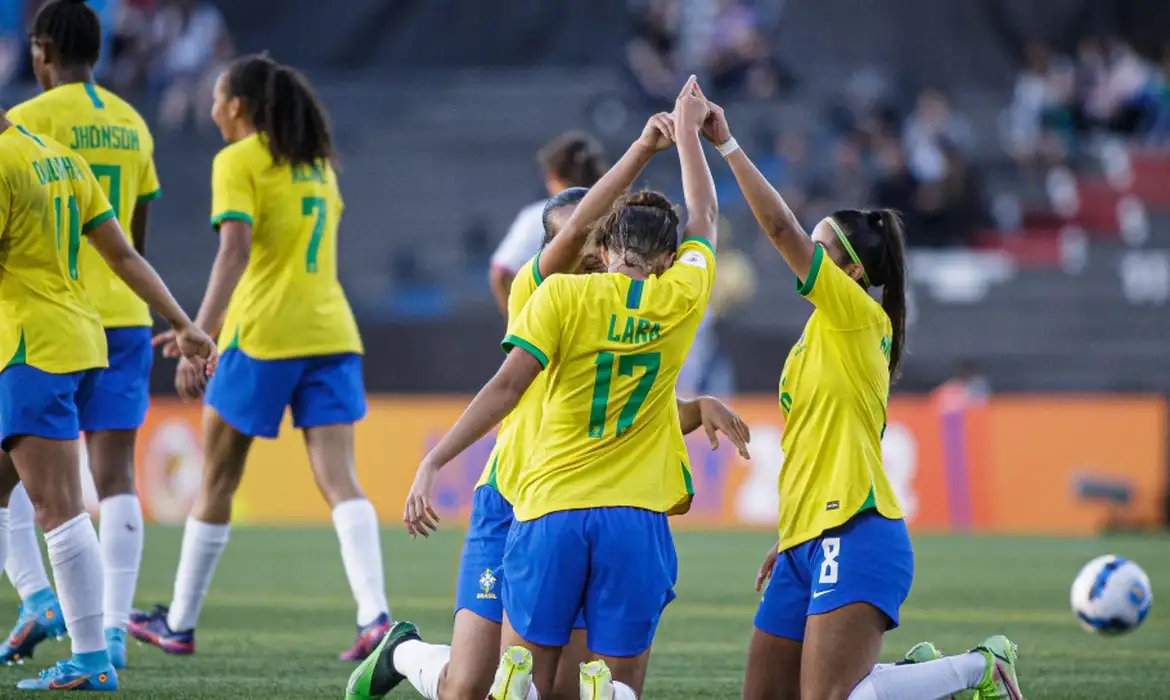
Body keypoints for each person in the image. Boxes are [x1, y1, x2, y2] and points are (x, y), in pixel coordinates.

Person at [345, 111, 751, 700]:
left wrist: (695, 407)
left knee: (551, 688)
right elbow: (697, 223)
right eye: (570, 239)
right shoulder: (539, 289)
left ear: (609, 244)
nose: (583, 249)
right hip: (512, 494)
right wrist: (668, 143)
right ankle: (402, 651)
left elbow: (624, 403)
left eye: (592, 240)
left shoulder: (575, 297)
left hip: (560, 504)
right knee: (466, 687)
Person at [701, 100, 1025, 700]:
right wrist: (791, 532)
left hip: (857, 533)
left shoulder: (856, 315)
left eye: (821, 247)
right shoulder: (818, 335)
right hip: (806, 537)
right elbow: (825, 441)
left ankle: (980, 667)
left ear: (851, 273)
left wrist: (726, 145)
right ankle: (904, 677)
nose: (807, 251)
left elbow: (778, 231)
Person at [128, 53, 392, 661]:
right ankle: (374, 616)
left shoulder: (237, 160)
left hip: (264, 335)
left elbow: (235, 251)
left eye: (217, 99)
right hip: (331, 332)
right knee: (340, 480)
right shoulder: (318, 166)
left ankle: (181, 623)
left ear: (237, 107)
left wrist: (199, 333)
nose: (213, 110)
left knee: (218, 479)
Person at [0, 112, 216, 691]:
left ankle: (92, 657)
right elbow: (123, 254)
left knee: (58, 505)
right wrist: (184, 324)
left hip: (31, 349)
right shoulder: (58, 157)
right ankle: (44, 602)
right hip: (81, 339)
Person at [0, 0, 161, 670]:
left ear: (41, 52)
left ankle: (55, 610)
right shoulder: (133, 123)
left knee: (43, 495)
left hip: (39, 328)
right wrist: (177, 320)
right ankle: (113, 630)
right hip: (119, 321)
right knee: (115, 478)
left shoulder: (28, 126)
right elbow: (135, 239)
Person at [488, 131, 606, 315]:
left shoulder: (539, 216)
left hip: (557, 331)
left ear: (552, 175)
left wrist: (519, 327)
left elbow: (501, 273)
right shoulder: (622, 210)